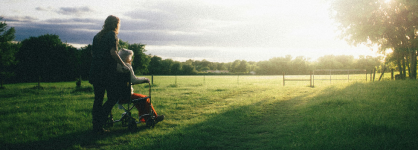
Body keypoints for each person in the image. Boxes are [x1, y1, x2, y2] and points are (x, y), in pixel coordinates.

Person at [89, 15, 129, 133]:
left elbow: (93, 53)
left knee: (98, 99)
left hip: (95, 71)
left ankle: (97, 126)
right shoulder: (112, 35)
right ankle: (101, 120)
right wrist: (123, 64)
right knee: (113, 97)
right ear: (115, 24)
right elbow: (113, 52)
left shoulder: (97, 36)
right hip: (106, 72)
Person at [117, 48, 164, 123]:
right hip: (126, 95)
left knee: (140, 99)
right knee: (144, 98)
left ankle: (145, 117)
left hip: (116, 95)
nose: (131, 60)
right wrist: (145, 79)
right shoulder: (127, 66)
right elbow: (134, 80)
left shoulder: (115, 66)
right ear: (126, 57)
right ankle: (154, 117)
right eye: (130, 57)